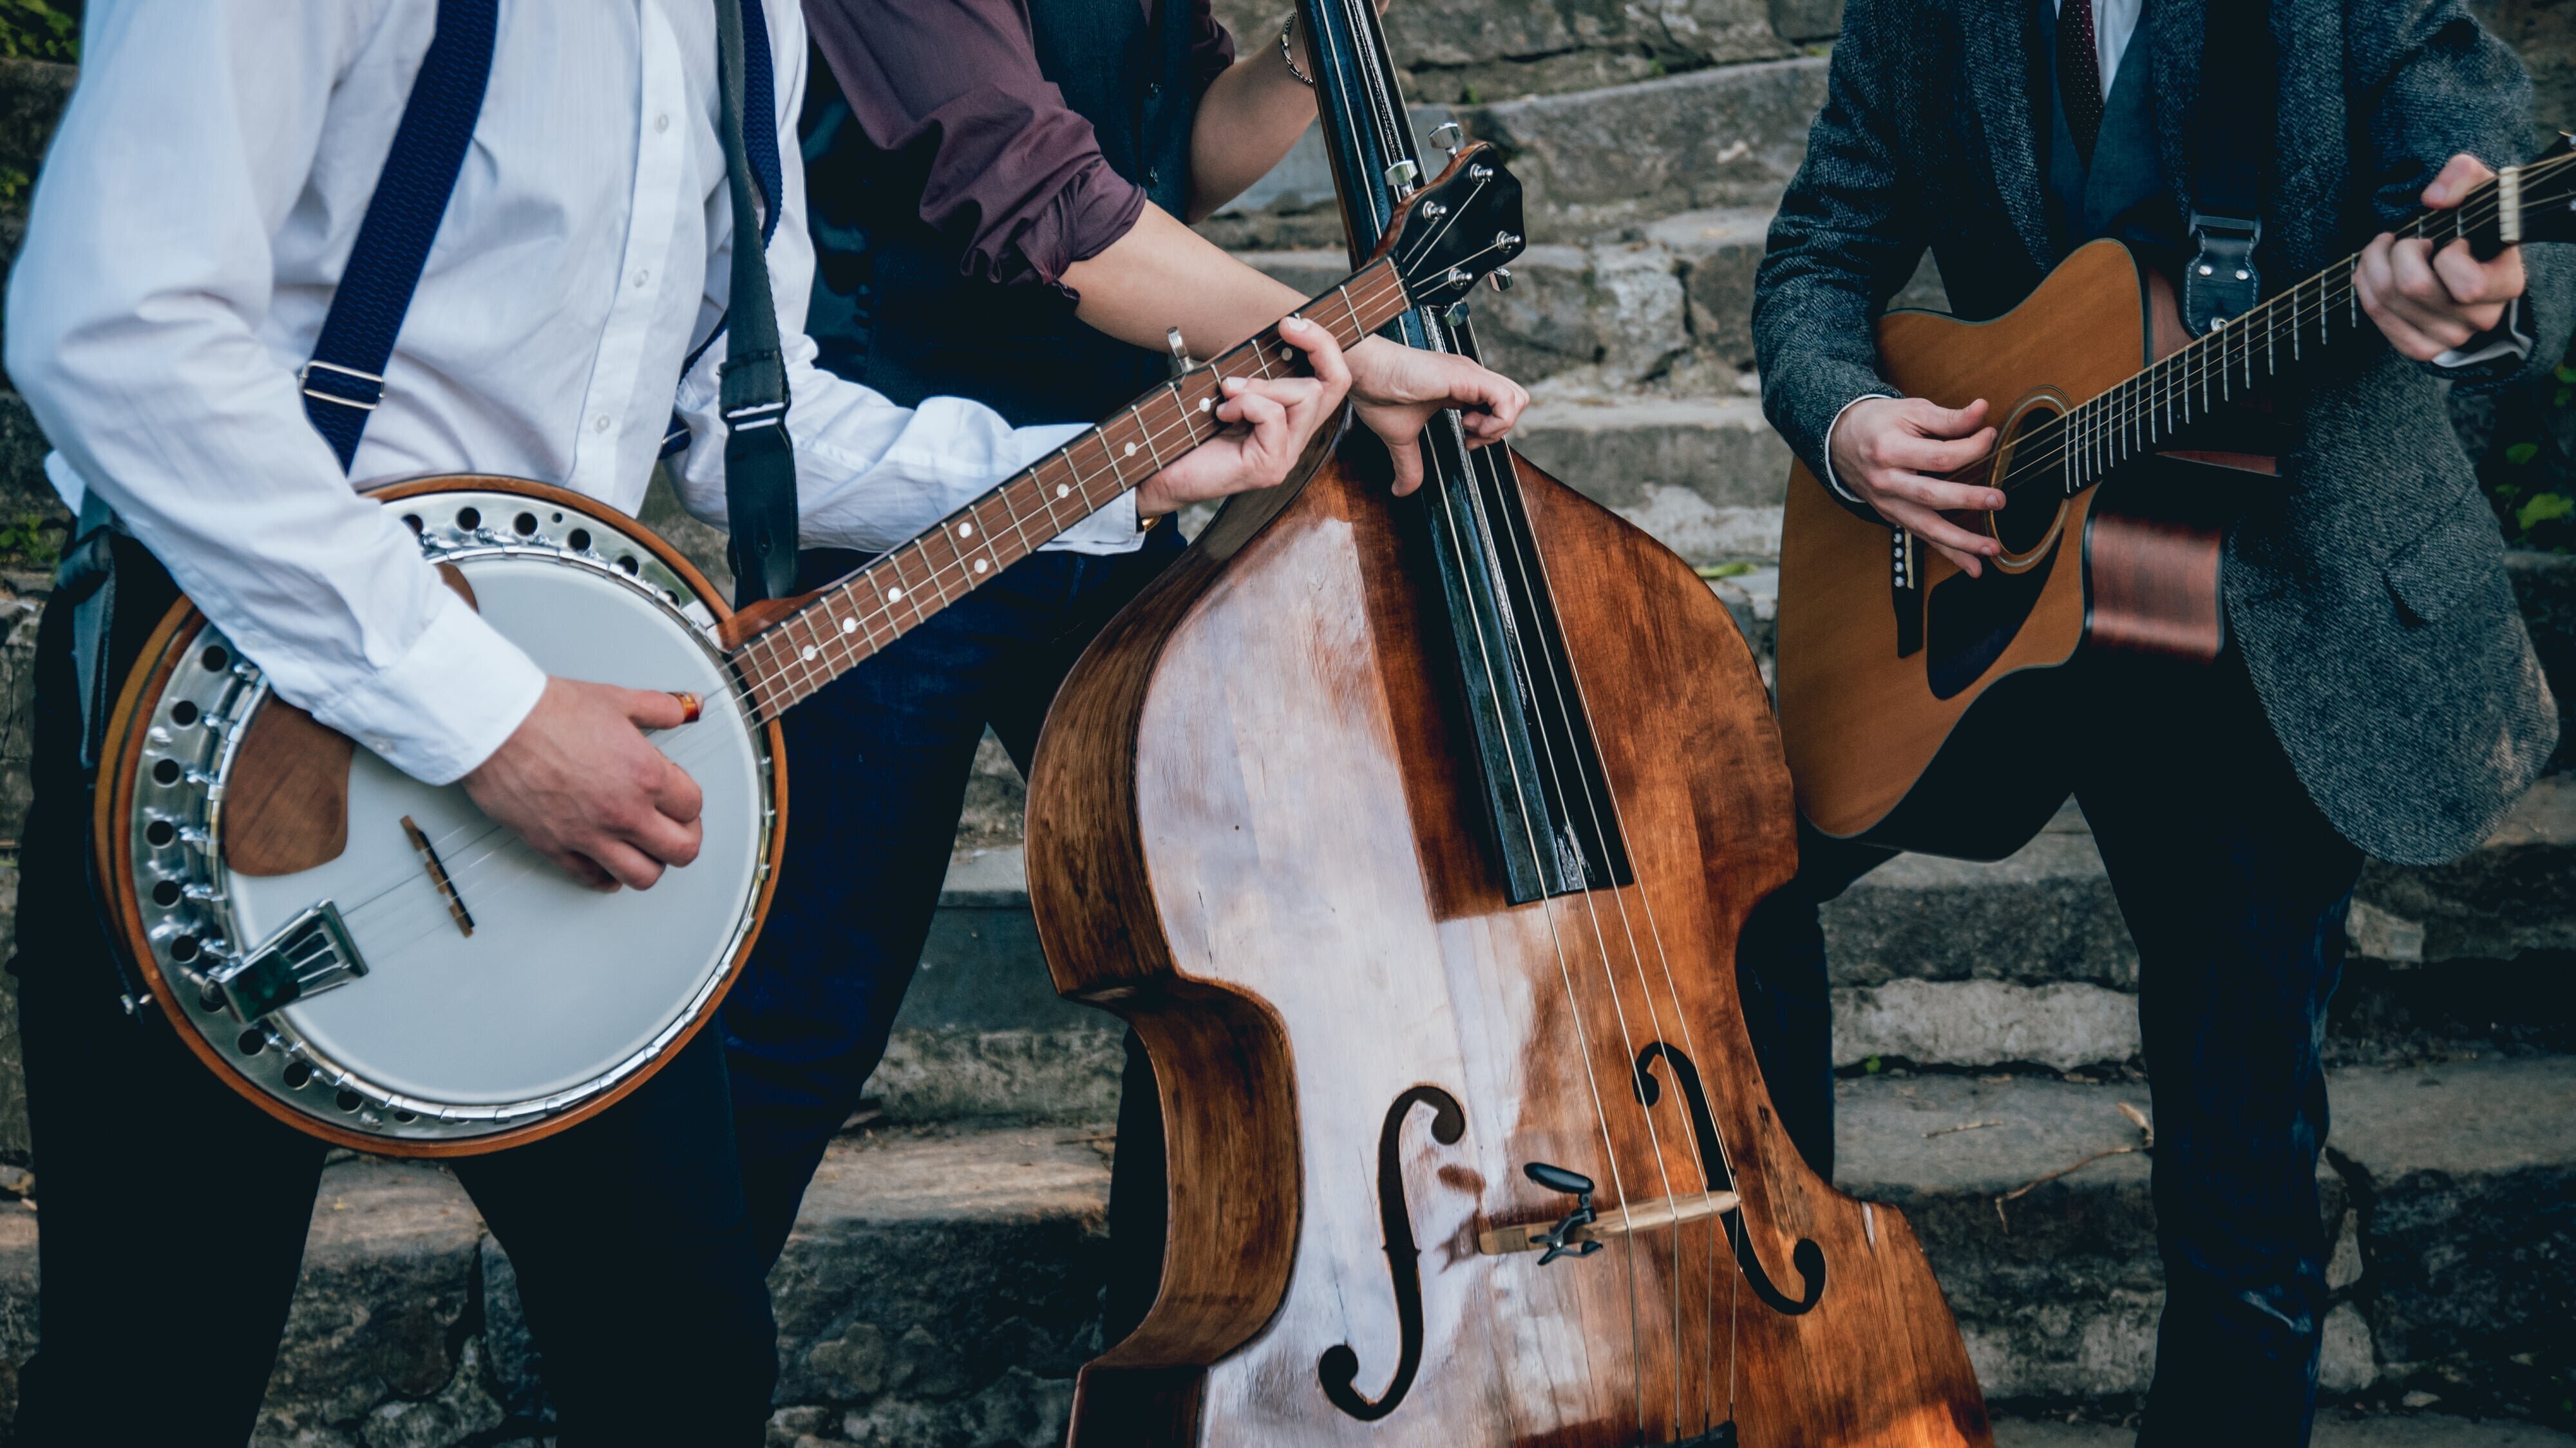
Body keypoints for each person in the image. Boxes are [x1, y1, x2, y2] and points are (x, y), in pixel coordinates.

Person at [0, 2, 1363, 1442]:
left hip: (553, 757)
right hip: (236, 709)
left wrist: (1123, 471)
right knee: (149, 1378)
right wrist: (494, 722)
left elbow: (744, 422)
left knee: (681, 1368)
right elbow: (114, 331)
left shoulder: (738, 18)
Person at [1745, 0, 2566, 1436]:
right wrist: (1849, 425)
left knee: (2234, 1188)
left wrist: (2470, 281)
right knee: (1728, 873)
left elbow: (2470, 152)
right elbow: (1817, 258)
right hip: (1983, 594)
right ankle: (1772, 1312)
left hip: (2271, 609)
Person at [723, 0, 1526, 1327]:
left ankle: (1197, 1349)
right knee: (801, 1024)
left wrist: (1305, 49)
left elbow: (1173, 154)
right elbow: (1037, 199)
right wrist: (1341, 349)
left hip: (1125, 482)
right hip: (898, 514)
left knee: (1237, 959)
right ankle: (656, 1373)